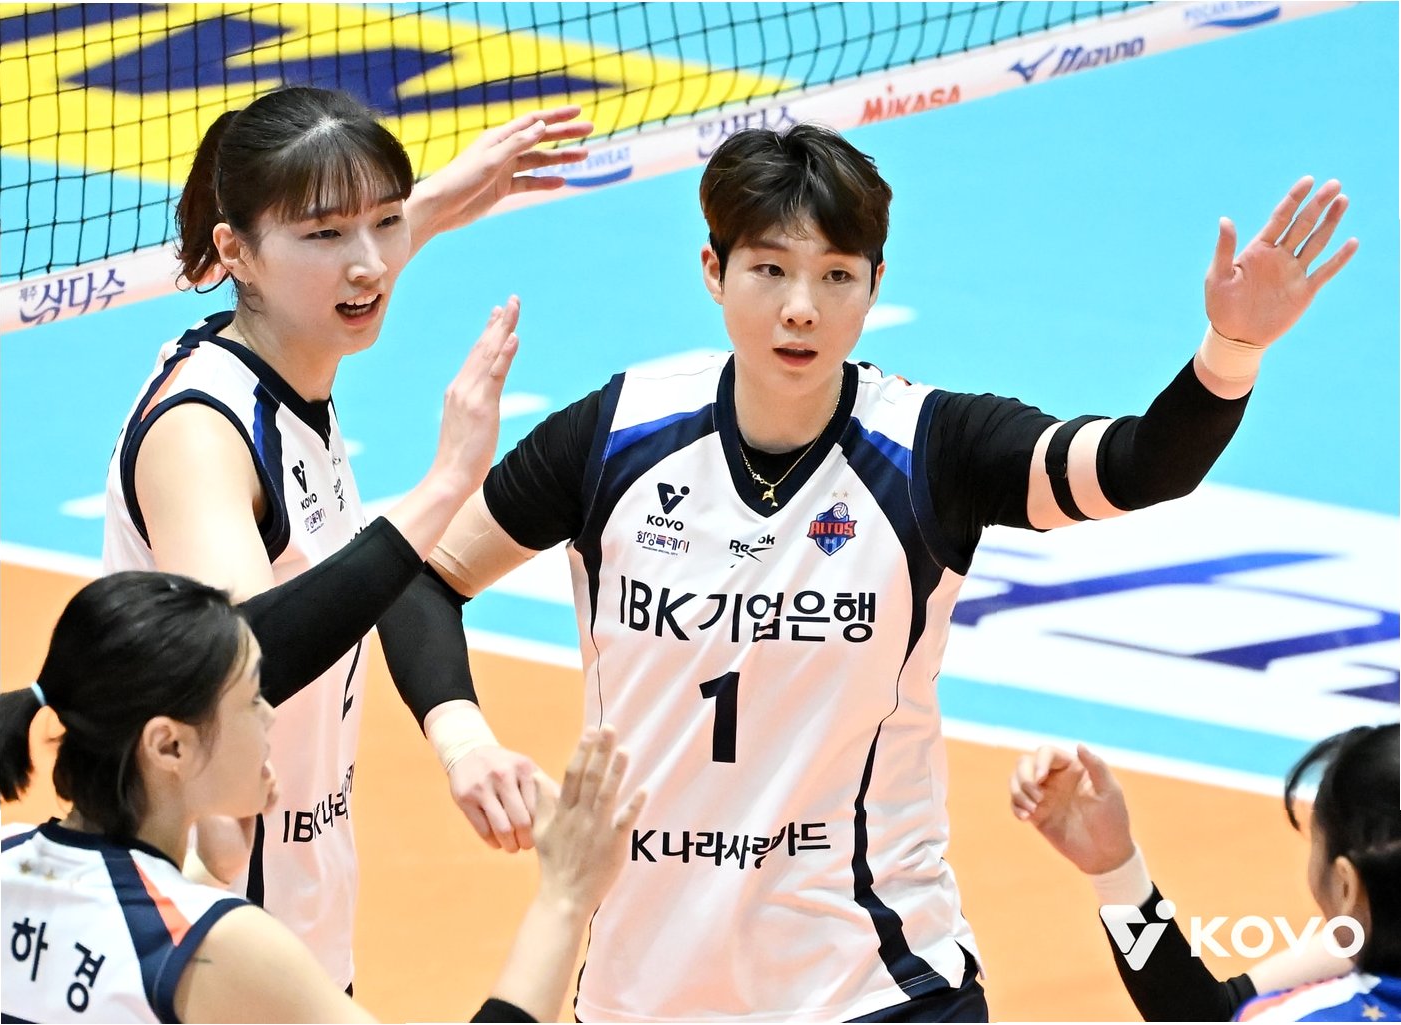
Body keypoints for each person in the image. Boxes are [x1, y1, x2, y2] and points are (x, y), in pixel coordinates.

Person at [409, 122, 1359, 1022]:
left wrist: (1231, 350)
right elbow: (427, 577)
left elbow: (1139, 466)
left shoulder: (931, 447)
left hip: (880, 981)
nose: (801, 307)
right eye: (769, 269)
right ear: (713, 270)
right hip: (644, 988)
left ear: (874, 286)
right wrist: (465, 743)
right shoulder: (615, 436)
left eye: (836, 276)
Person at [101, 84, 579, 987]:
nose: (367, 266)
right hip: (205, 947)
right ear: (234, 253)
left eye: (385, 223)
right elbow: (246, 658)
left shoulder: (291, 347)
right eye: (325, 234)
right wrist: (444, 486)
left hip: (300, 920)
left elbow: (352, 250)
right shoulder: (201, 432)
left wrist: (445, 196)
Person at [0, 570, 646, 1024]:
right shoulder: (218, 942)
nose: (271, 716)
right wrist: (565, 899)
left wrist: (205, 868)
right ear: (169, 746)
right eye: (251, 698)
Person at [1008, 724, 1399, 1021]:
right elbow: (1207, 1014)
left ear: (1346, 885)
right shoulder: (1366, 937)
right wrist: (1115, 869)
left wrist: (1115, 871)